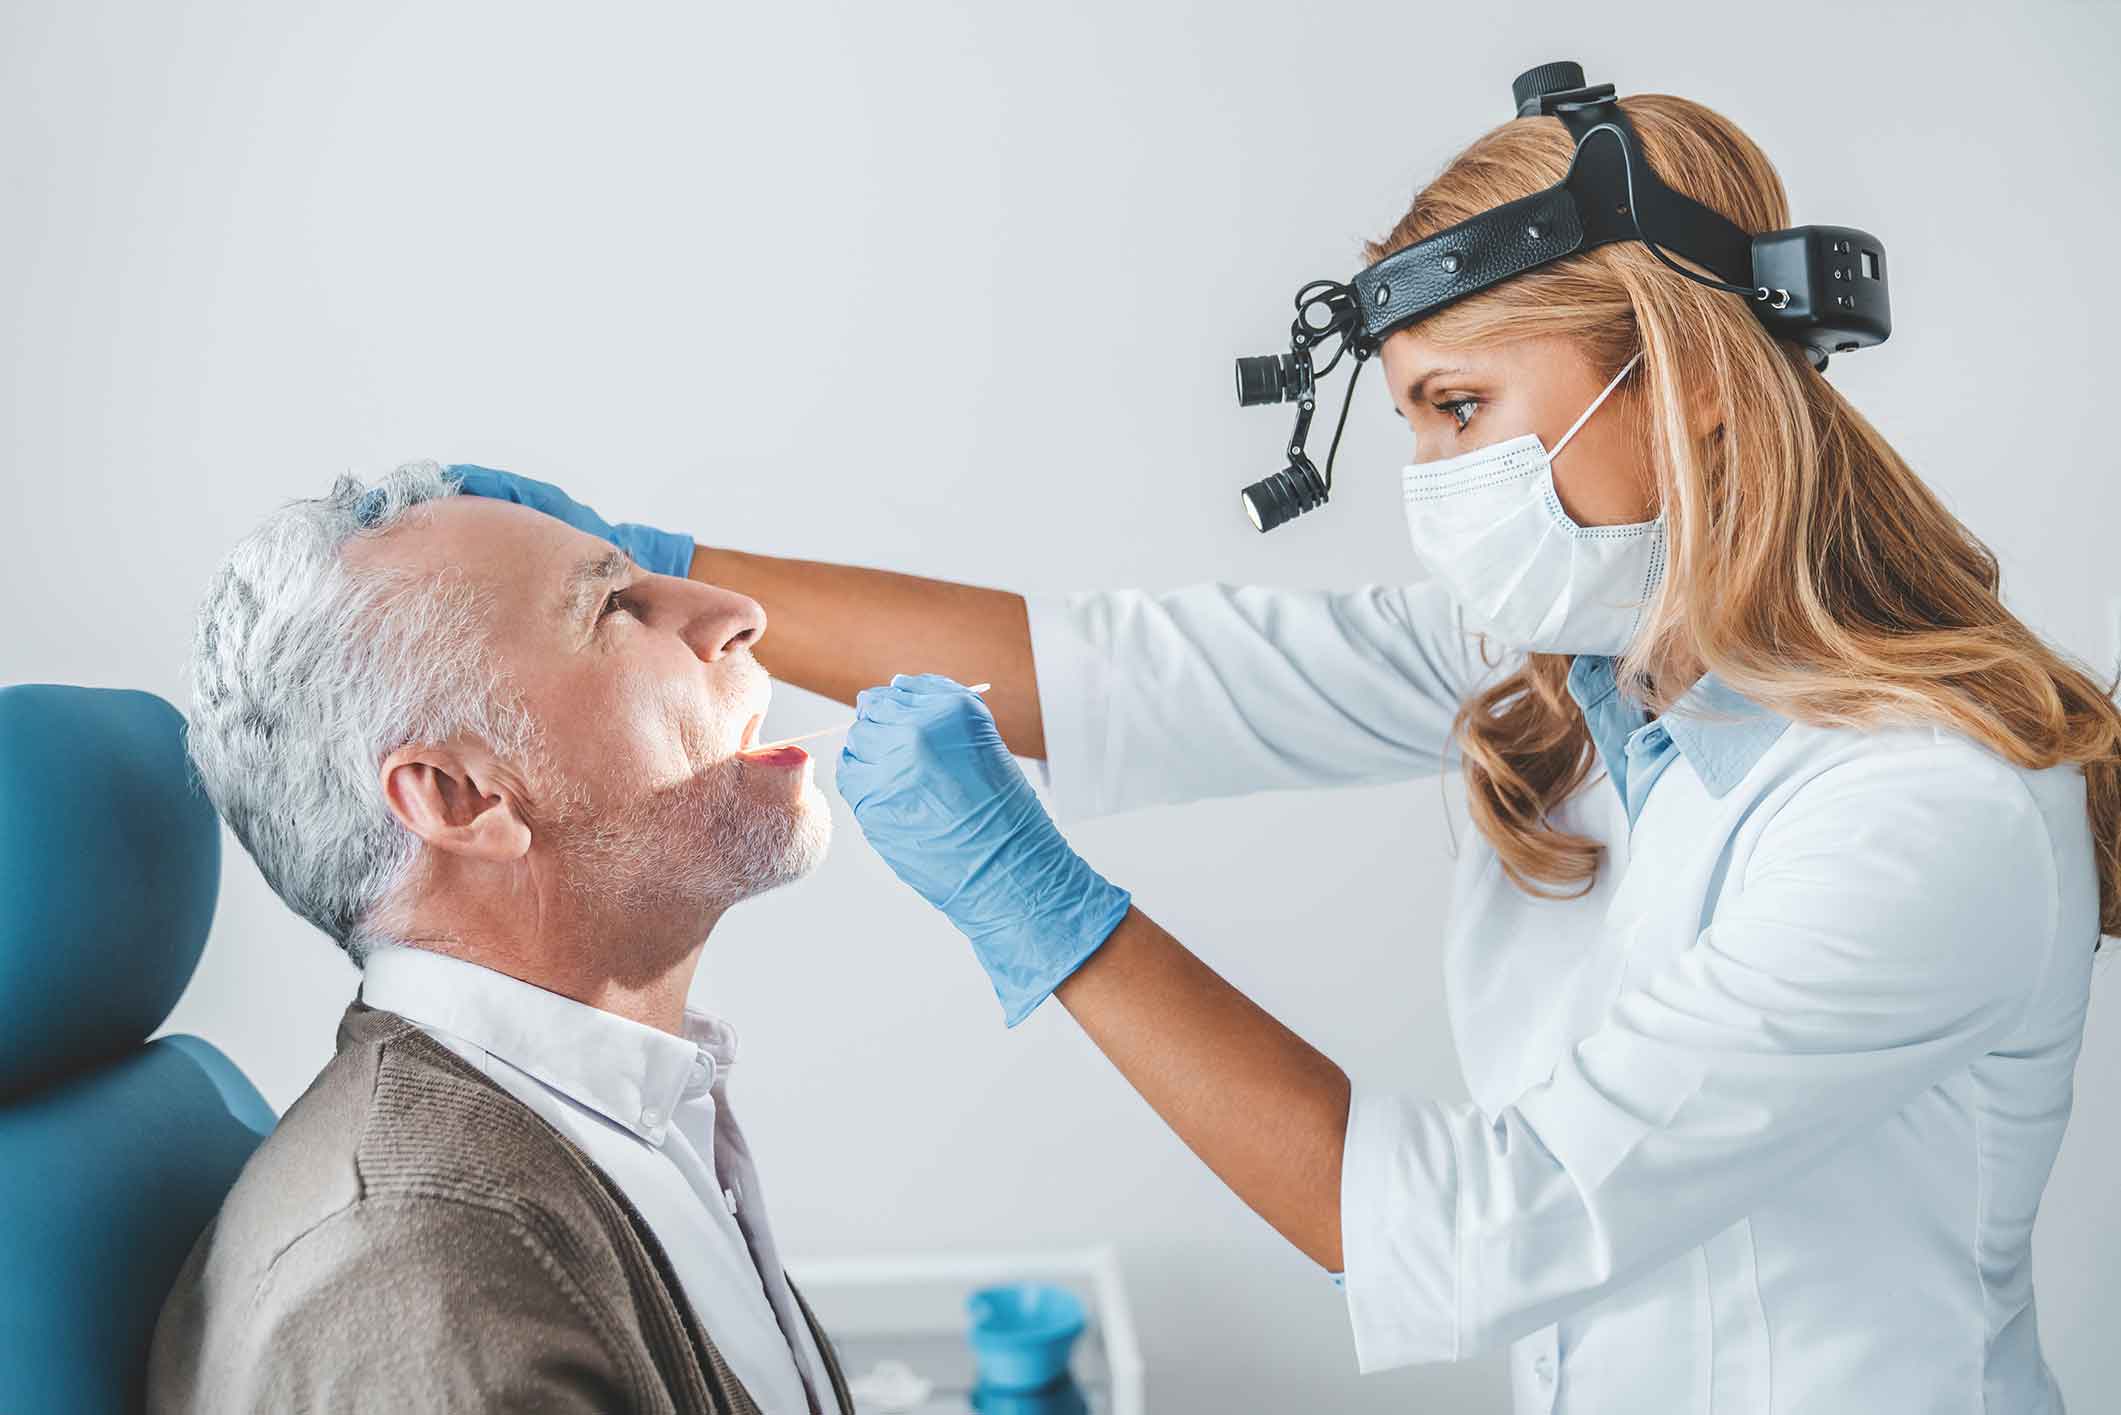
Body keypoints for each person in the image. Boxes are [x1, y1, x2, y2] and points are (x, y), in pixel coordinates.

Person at [459, 87, 2121, 1414]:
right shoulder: (1584, 676)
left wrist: (1041, 908)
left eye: (1459, 410)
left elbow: (1475, 1231)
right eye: (1406, 424)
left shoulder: (1925, 814)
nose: (1433, 481)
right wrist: (658, 560)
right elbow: (1119, 674)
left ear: (1683, 379)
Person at [150, 462, 853, 1414]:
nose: (738, 610)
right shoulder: (416, 1285)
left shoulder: (632, 1119)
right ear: (461, 797)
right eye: (615, 605)